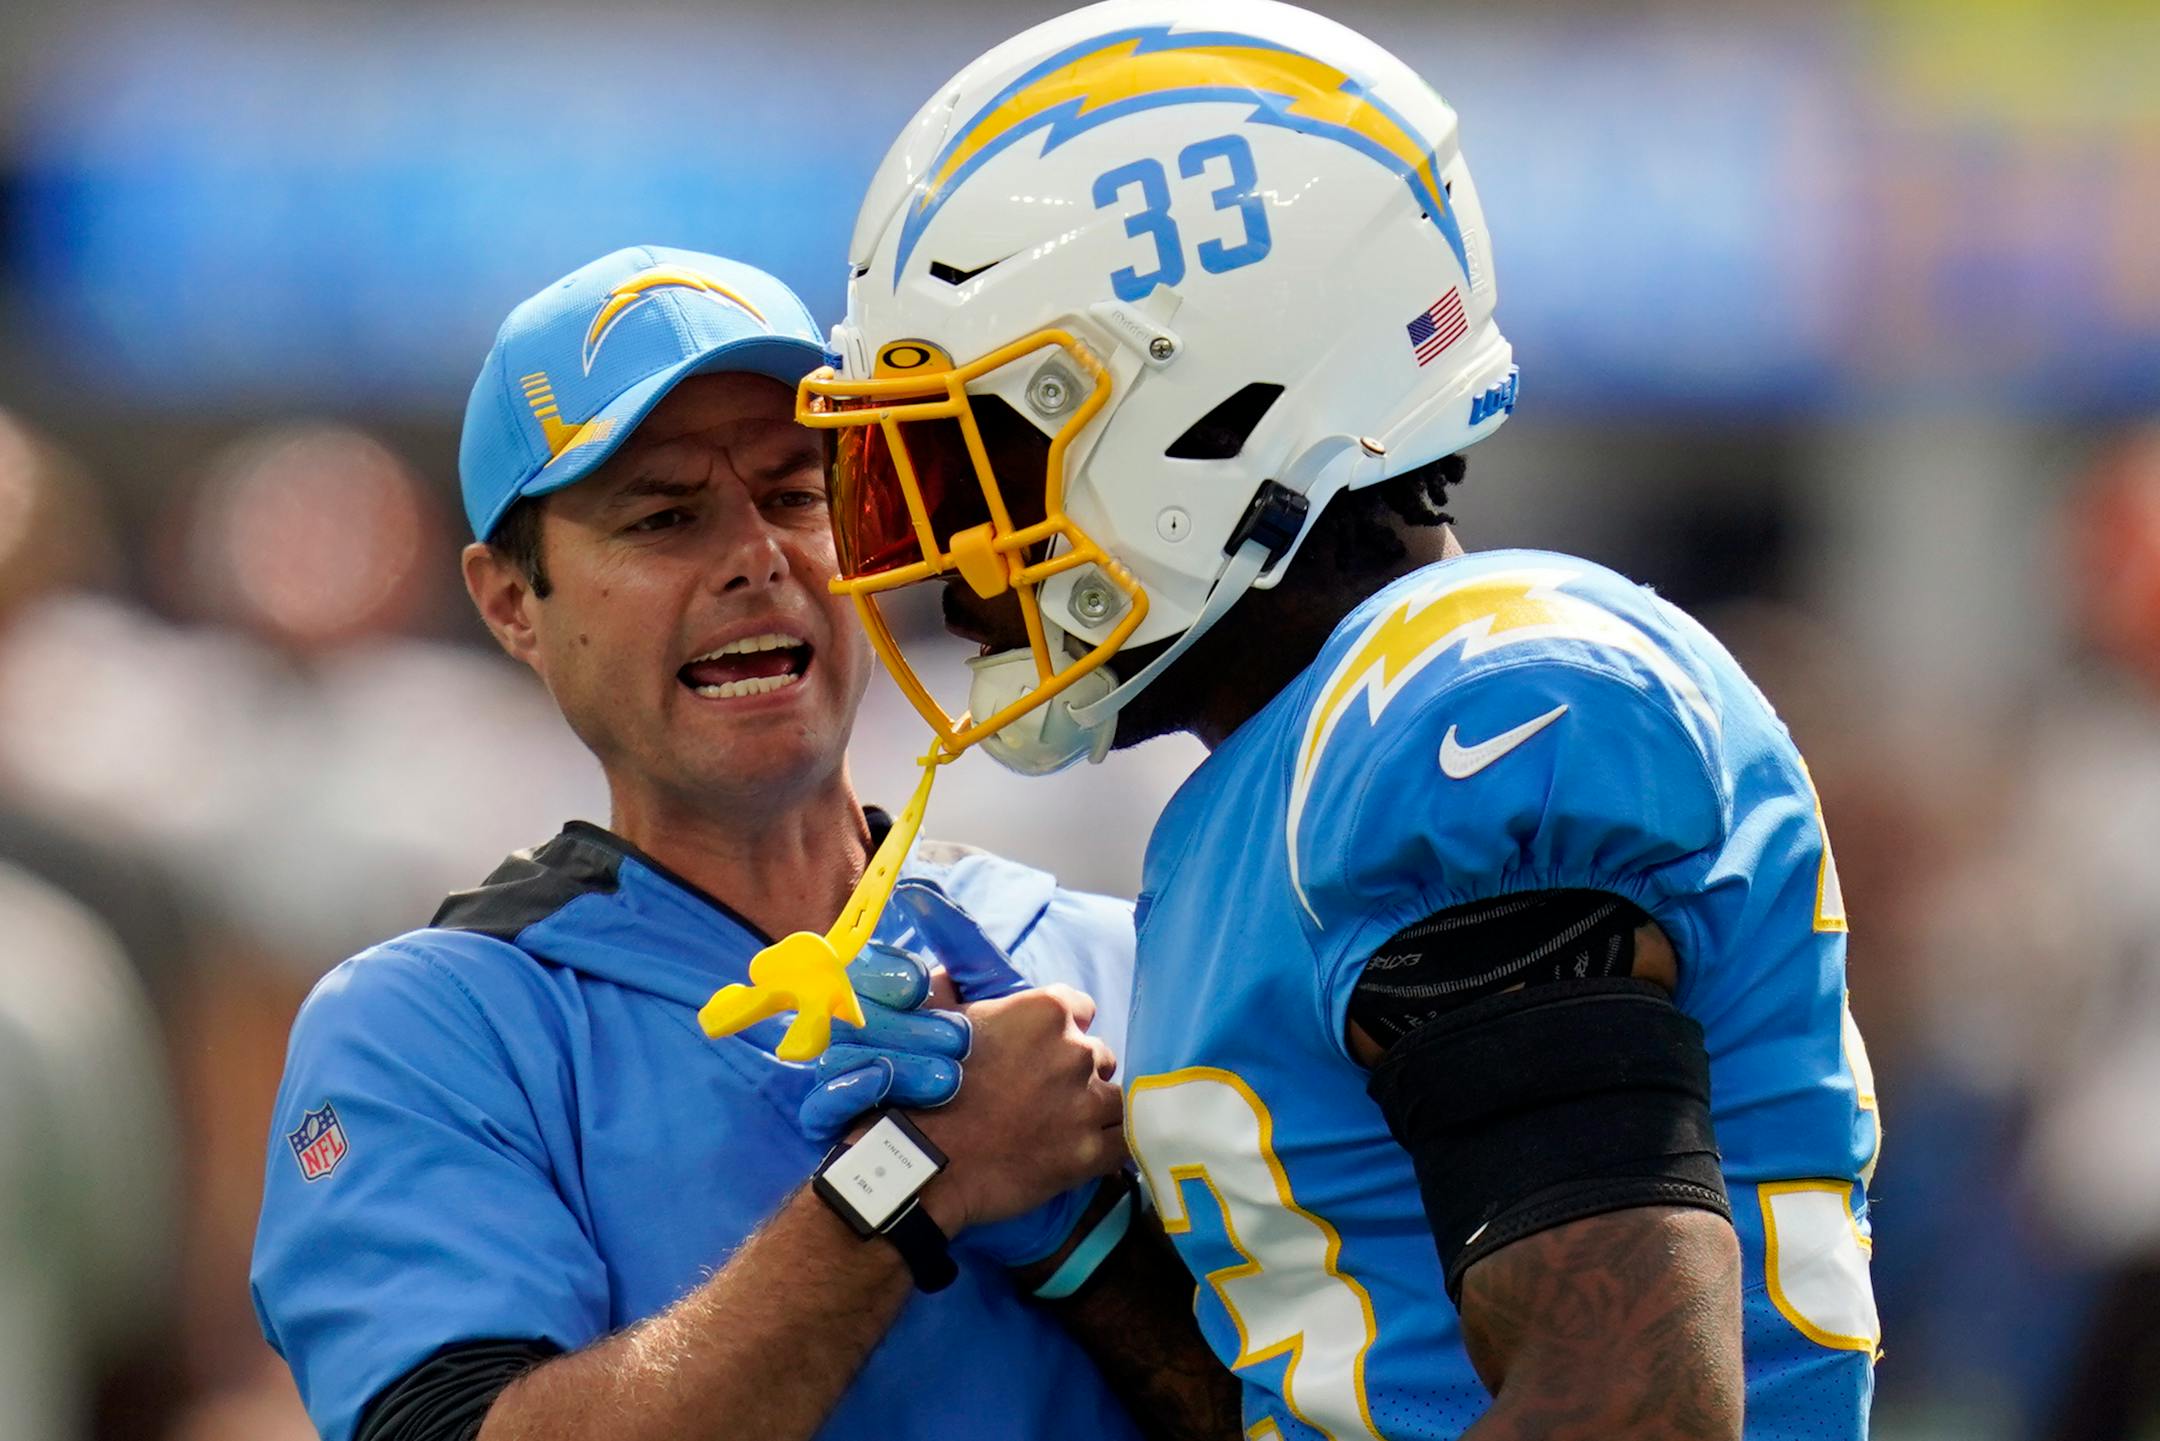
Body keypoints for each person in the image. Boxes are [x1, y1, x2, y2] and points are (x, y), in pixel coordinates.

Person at [768, 2, 1883, 1436]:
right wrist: (1067, 1228)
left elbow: (1632, 1404)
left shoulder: (1468, 707)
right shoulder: (1293, 768)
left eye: (984, 459)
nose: (947, 563)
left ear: (1204, 414)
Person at [250, 245, 1229, 1441]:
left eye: (796, 494)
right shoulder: (432, 1033)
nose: (758, 557)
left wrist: (1091, 1241)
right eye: (664, 514)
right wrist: (912, 1174)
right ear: (512, 600)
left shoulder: (1116, 953)